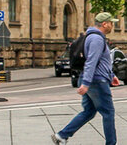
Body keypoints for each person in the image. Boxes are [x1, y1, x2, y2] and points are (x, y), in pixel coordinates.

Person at [52, 13, 121, 145]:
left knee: (89, 112)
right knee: (108, 112)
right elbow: (91, 61)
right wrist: (86, 83)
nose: (113, 25)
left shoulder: (94, 37)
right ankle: (111, 143)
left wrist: (112, 76)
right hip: (97, 81)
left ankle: (62, 135)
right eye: (112, 23)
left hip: (95, 79)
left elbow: (102, 61)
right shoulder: (97, 39)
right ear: (105, 24)